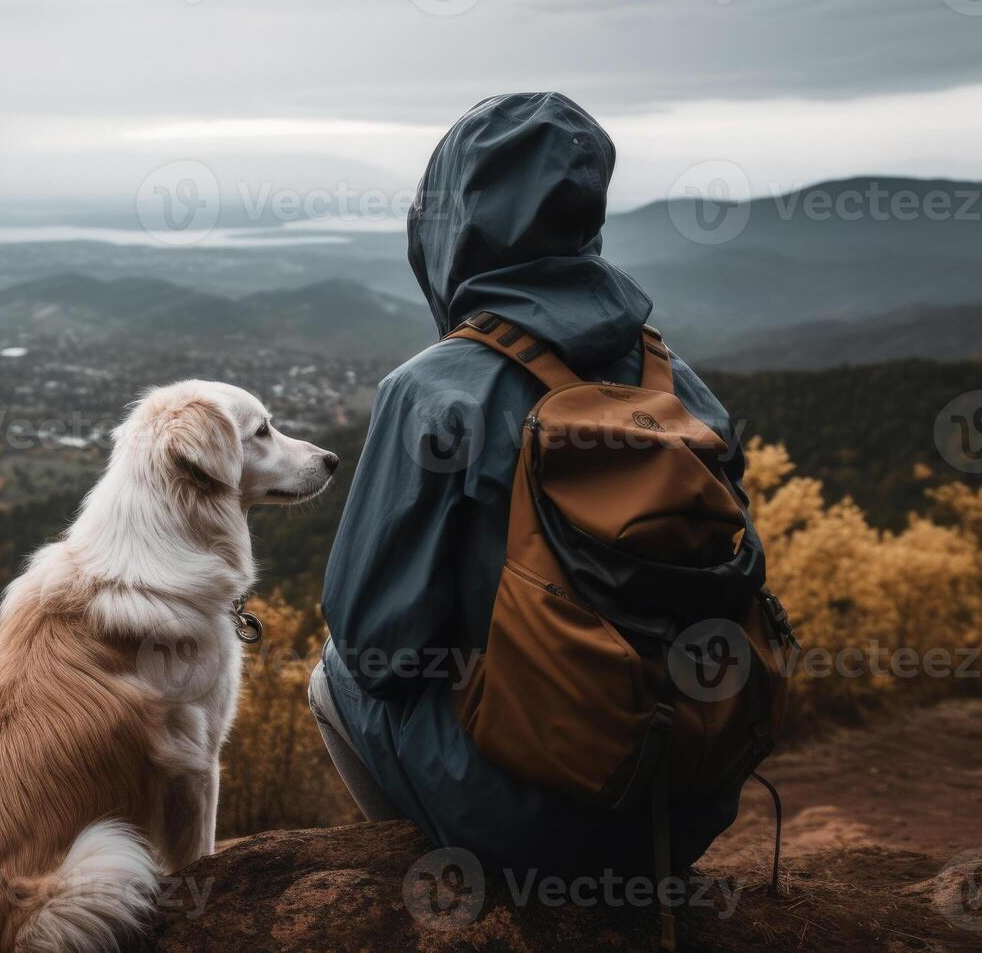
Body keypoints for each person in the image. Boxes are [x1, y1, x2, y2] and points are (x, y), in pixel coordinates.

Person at [308, 92, 747, 879]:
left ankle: (463, 882)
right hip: (686, 808)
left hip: (534, 826)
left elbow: (376, 647)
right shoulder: (679, 384)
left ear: (449, 223)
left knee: (333, 672)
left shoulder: (435, 390)